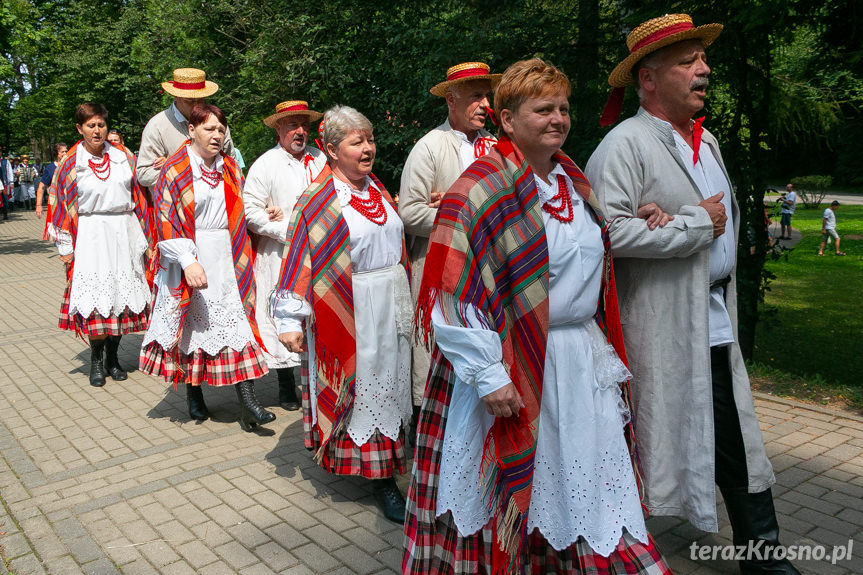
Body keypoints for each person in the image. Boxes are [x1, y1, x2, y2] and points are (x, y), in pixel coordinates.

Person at [404, 58, 670, 575]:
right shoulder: (479, 188)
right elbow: (454, 296)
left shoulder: (574, 182)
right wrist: (488, 376)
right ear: (506, 119)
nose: (558, 118)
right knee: (510, 491)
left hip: (574, 358)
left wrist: (630, 221)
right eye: (543, 108)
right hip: (509, 363)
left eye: (564, 108)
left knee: (579, 483)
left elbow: (583, 251)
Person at [585, 14, 799, 574]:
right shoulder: (623, 145)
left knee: (731, 430)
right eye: (688, 61)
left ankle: (760, 552)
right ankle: (617, 548)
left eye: (703, 59)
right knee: (666, 433)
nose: (704, 70)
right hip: (661, 324)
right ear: (649, 79)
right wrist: (693, 225)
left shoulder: (708, 142)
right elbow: (602, 234)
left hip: (712, 315)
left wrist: (707, 233)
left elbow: (715, 218)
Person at [272, 105, 411, 523]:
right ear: (330, 149)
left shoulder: (377, 189)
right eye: (357, 142)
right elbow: (297, 258)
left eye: (369, 139)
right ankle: (381, 478)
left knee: (391, 384)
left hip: (391, 300)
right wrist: (289, 319)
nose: (368, 148)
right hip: (353, 305)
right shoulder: (317, 200)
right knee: (366, 384)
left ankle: (390, 460)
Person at [139, 103, 276, 431]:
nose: (216, 135)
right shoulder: (173, 170)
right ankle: (194, 393)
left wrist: (262, 214)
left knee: (240, 324)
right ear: (191, 130)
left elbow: (241, 207)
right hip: (191, 254)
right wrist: (188, 262)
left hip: (229, 256)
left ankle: (249, 404)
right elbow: (166, 223)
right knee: (193, 329)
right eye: (209, 129)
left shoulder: (229, 167)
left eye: (220, 129)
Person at [399, 61, 499, 439]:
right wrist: (458, 216)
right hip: (442, 267)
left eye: (486, 95)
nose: (483, 104)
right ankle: (429, 436)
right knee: (438, 349)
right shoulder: (430, 146)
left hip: (490, 268)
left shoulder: (497, 146)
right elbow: (409, 213)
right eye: (476, 96)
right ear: (451, 101)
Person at [43, 103, 155, 387]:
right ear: (79, 129)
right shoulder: (71, 162)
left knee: (122, 299)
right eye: (91, 125)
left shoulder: (123, 157)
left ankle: (113, 359)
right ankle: (96, 359)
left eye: (101, 125)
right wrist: (65, 247)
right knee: (96, 301)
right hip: (91, 233)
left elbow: (141, 194)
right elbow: (59, 204)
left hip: (123, 231)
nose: (97, 130)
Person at [243, 100, 326, 411]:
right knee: (282, 314)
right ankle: (286, 382)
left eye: (303, 124)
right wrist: (285, 231)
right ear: (278, 128)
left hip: (320, 251)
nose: (300, 130)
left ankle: (317, 378)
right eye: (292, 125)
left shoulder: (321, 159)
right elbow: (249, 211)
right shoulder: (265, 165)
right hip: (281, 253)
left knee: (315, 313)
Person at [136, 68, 235, 192]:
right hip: (175, 208)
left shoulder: (217, 124)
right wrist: (178, 171)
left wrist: (173, 166)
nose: (196, 105)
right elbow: (144, 174)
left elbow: (232, 165)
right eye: (189, 101)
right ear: (175, 96)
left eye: (200, 99)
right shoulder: (157, 126)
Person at [36, 143, 69, 218]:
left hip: (70, 204)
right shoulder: (50, 168)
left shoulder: (71, 166)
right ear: (56, 153)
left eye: (66, 151)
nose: (65, 153)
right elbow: (41, 187)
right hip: (56, 204)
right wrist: (38, 205)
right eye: (62, 152)